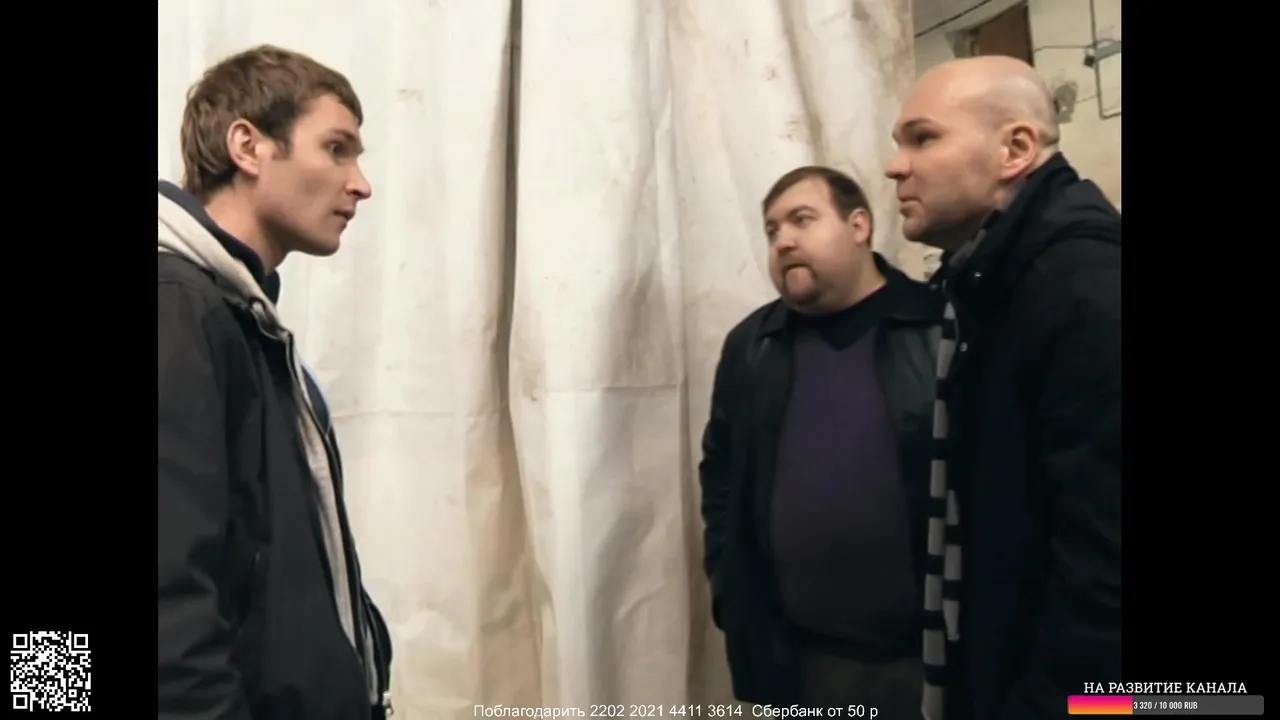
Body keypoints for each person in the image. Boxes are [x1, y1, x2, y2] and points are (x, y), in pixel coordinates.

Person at [158, 45, 393, 720]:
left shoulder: (239, 320)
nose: (361, 184)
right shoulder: (177, 309)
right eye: (336, 149)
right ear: (249, 147)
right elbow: (167, 596)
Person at [885, 56, 1121, 720]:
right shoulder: (992, 281)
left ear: (1014, 150)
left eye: (922, 138)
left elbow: (1105, 569)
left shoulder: (1084, 286)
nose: (895, 166)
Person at [699, 166, 943, 716]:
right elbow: (722, 475)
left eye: (802, 220)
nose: (783, 240)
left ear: (859, 226)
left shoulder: (939, 325)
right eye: (772, 230)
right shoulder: (753, 345)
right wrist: (728, 589)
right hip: (801, 663)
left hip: (930, 661)